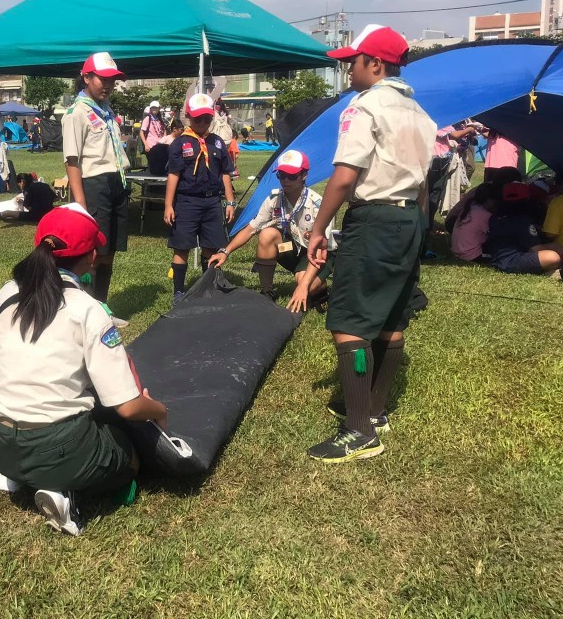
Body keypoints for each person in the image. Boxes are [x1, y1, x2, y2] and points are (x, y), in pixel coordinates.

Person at [0, 204, 168, 536]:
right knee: (128, 454)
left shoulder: (6, 295)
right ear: (91, 257)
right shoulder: (88, 310)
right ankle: (61, 491)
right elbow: (127, 405)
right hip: (56, 446)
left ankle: (18, 475)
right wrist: (159, 410)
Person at [305, 24, 436, 463]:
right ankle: (375, 411)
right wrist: (418, 227)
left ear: (375, 64)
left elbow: (344, 176)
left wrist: (319, 227)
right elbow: (421, 188)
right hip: (409, 219)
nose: (347, 70)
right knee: (391, 317)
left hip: (375, 217)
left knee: (351, 321)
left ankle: (359, 431)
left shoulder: (365, 106)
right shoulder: (421, 113)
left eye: (352, 62)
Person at [208, 149, 335, 311]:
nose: (285, 180)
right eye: (281, 175)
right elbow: (250, 229)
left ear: (304, 175)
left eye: (292, 175)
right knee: (267, 234)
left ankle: (322, 292)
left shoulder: (318, 204)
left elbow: (320, 251)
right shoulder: (274, 199)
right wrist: (224, 252)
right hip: (292, 248)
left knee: (306, 284)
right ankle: (267, 292)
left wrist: (303, 286)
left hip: (319, 254)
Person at [61, 52, 131, 303]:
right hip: (94, 184)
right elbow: (72, 160)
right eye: (103, 79)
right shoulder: (76, 113)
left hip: (116, 181)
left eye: (113, 80)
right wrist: (80, 201)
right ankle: (87, 309)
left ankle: (102, 307)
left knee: (109, 250)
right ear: (87, 77)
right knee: (92, 252)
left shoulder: (106, 110)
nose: (109, 85)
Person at [163, 93, 236, 304]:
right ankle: (179, 291)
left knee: (211, 246)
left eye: (207, 119)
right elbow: (173, 174)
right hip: (187, 201)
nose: (203, 123)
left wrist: (229, 201)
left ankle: (208, 287)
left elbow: (225, 173)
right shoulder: (180, 143)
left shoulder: (217, 143)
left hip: (212, 201)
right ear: (188, 117)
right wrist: (169, 204)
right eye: (197, 119)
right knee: (182, 246)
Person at [487, 182, 563, 274]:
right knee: (553, 256)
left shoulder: (494, 217)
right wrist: (556, 249)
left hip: (498, 258)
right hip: (512, 261)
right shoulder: (522, 220)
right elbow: (536, 248)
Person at [450, 182, 498, 262]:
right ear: (489, 199)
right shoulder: (484, 214)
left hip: (458, 252)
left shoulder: (469, 209)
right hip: (472, 255)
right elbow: (495, 235)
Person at [209, 98, 240, 177]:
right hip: (216, 134)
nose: (218, 106)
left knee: (224, 154)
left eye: (219, 104)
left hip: (224, 136)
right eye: (217, 104)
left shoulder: (224, 114)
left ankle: (229, 169)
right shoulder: (214, 113)